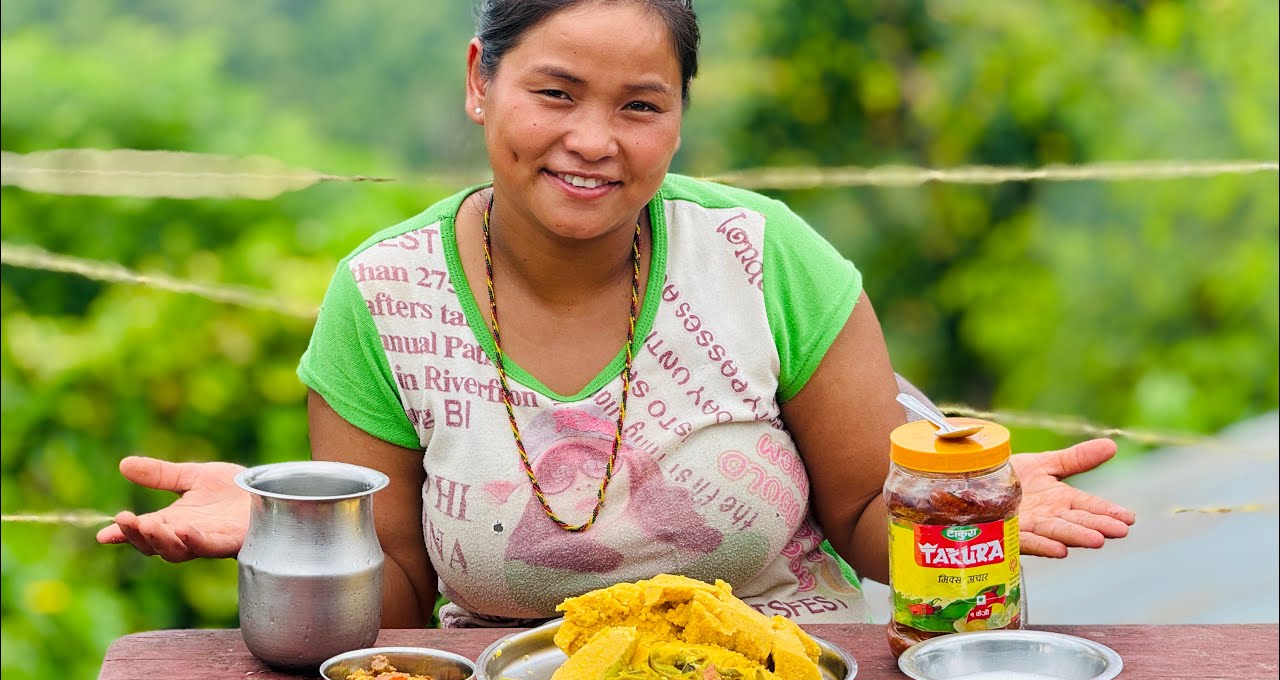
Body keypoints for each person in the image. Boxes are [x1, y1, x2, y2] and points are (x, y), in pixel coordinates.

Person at [97, 0, 1135, 629]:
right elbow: (401, 601)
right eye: (554, 93)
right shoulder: (381, 299)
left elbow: (867, 513)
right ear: (478, 81)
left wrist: (954, 506)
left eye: (639, 105)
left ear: (679, 118)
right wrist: (301, 534)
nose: (593, 140)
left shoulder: (765, 258)